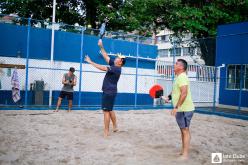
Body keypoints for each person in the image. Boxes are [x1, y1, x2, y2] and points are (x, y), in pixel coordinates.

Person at [84, 39, 126, 138]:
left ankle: (106, 132)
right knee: (110, 109)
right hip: (111, 92)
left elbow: (102, 68)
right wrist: (101, 46)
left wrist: (90, 62)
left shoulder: (116, 68)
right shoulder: (114, 65)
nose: (115, 58)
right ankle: (115, 126)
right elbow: (105, 56)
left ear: (120, 62)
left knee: (106, 111)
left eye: (118, 58)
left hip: (108, 92)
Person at [162, 59, 195, 160]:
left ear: (181, 67)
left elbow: (184, 93)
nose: (174, 65)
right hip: (181, 109)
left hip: (185, 109)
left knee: (185, 130)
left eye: (176, 64)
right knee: (183, 130)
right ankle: (183, 150)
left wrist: (176, 107)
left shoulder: (182, 77)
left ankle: (185, 154)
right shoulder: (178, 77)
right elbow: (176, 91)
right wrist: (168, 98)